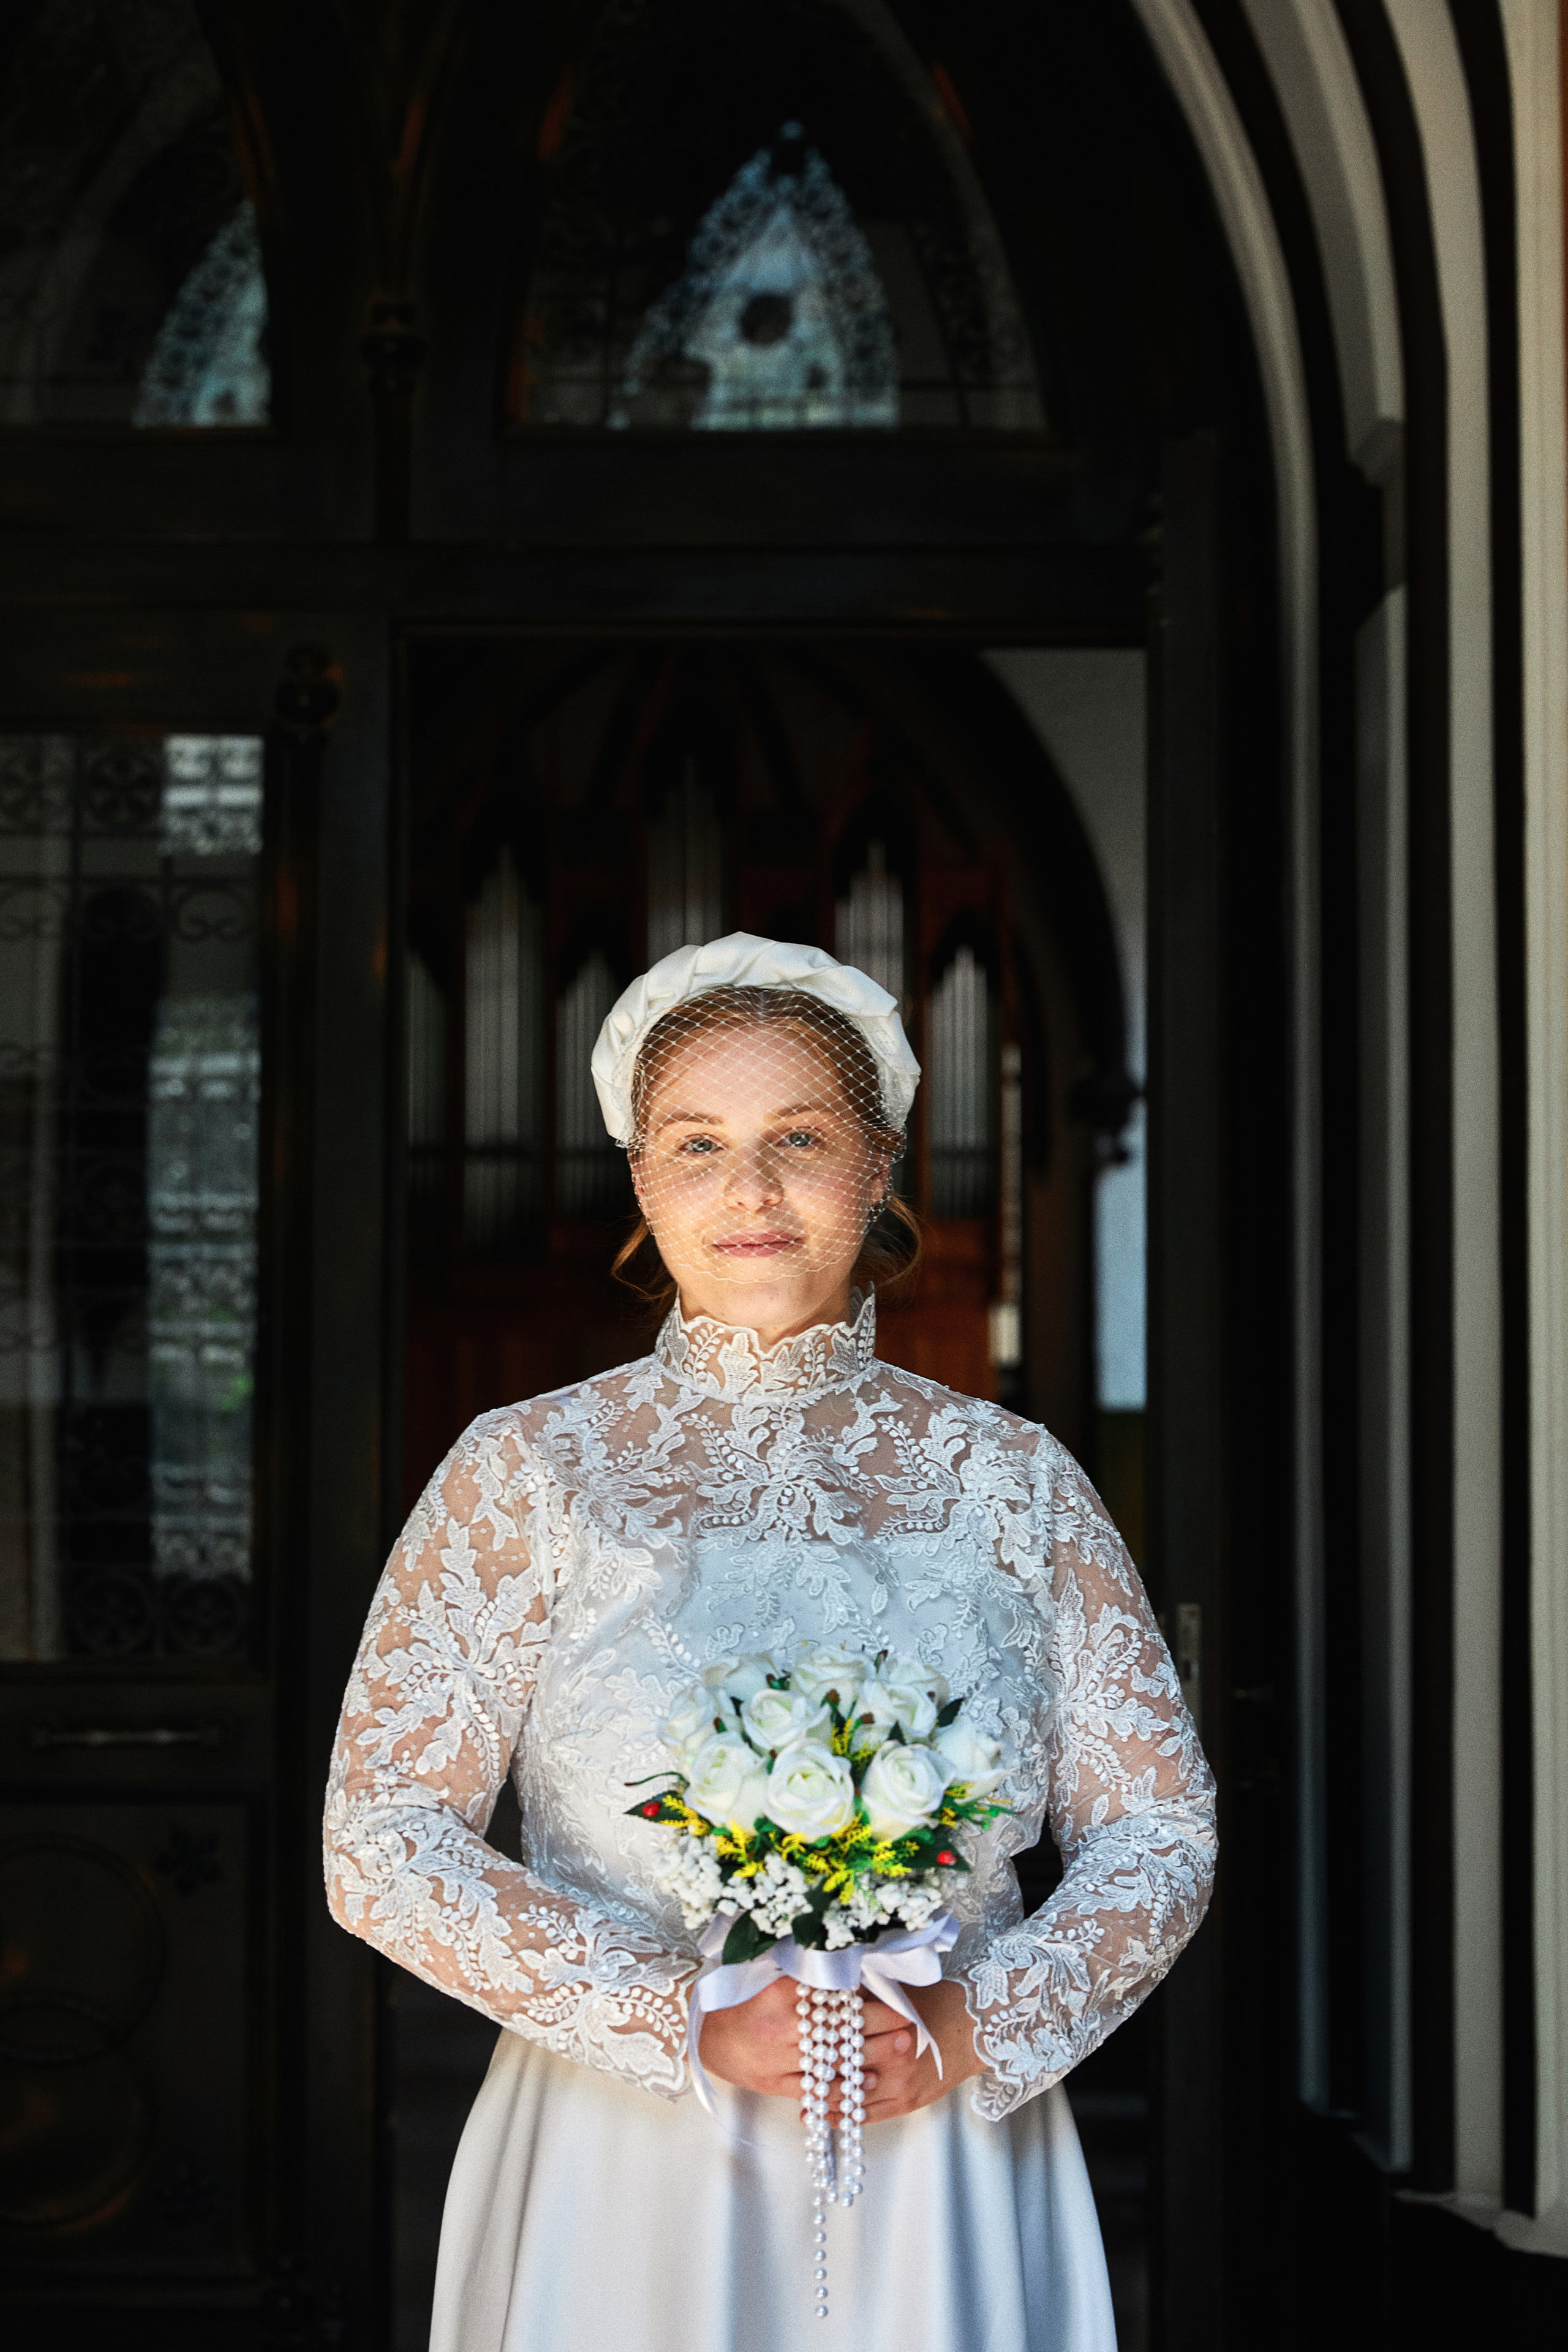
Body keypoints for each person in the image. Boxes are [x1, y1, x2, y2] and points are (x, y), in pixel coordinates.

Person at [325, 932, 1215, 2352]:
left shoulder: (1013, 1478)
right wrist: (678, 2015)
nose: (748, 1190)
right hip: (623, 2155)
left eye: (798, 1138)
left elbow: (1158, 1824)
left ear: (877, 1168)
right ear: (639, 1177)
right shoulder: (527, 1468)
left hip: (942, 2153)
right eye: (696, 1144)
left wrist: (974, 2030)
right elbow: (380, 1835)